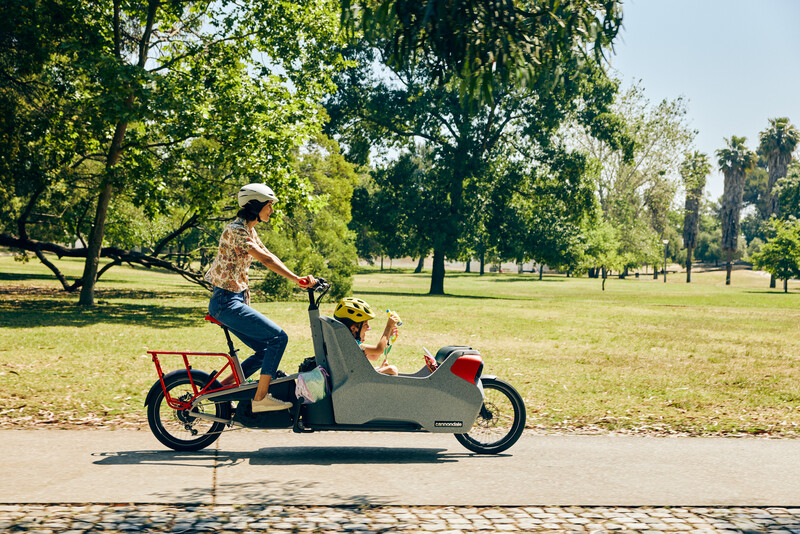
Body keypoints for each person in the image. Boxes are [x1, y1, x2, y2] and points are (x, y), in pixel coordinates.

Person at [205, 183, 316, 412]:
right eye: (269, 205)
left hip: (231, 301)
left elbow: (269, 254)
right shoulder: (236, 230)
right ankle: (260, 398)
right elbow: (265, 260)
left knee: (265, 351)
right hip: (226, 302)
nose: (272, 210)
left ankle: (221, 391)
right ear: (255, 205)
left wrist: (299, 277)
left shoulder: (249, 230)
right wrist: (296, 279)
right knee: (279, 338)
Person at [333, 297, 400, 375]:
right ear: (354, 328)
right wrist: (388, 327)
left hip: (351, 375)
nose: (368, 327)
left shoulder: (342, 341)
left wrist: (388, 334)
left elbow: (374, 356)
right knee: (392, 369)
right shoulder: (353, 345)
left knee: (382, 369)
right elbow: (379, 350)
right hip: (355, 378)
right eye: (365, 324)